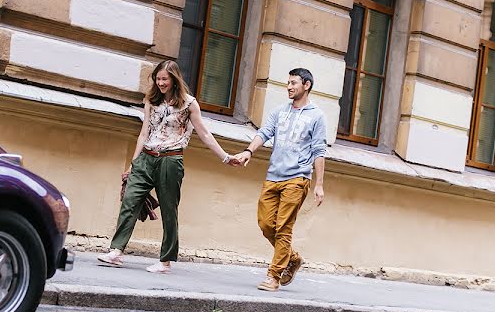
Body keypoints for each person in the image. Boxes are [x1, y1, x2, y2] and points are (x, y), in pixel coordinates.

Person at [98, 60, 236, 273]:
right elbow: (144, 133)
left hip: (170, 160)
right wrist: (134, 163)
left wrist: (226, 157)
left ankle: (165, 261)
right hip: (146, 157)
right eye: (158, 79)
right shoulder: (151, 101)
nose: (160, 83)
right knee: (130, 200)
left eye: (165, 79)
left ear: (174, 79)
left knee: (169, 209)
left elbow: (205, 134)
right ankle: (116, 251)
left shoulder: (189, 104)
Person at [232, 68, 326, 291]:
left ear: (307, 85)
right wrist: (248, 151)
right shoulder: (279, 112)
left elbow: (319, 151)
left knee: (283, 226)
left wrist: (319, 184)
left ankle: (274, 276)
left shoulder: (317, 116)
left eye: (294, 83)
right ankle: (292, 258)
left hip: (297, 178)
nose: (289, 87)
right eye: (288, 83)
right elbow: (264, 133)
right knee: (266, 224)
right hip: (273, 176)